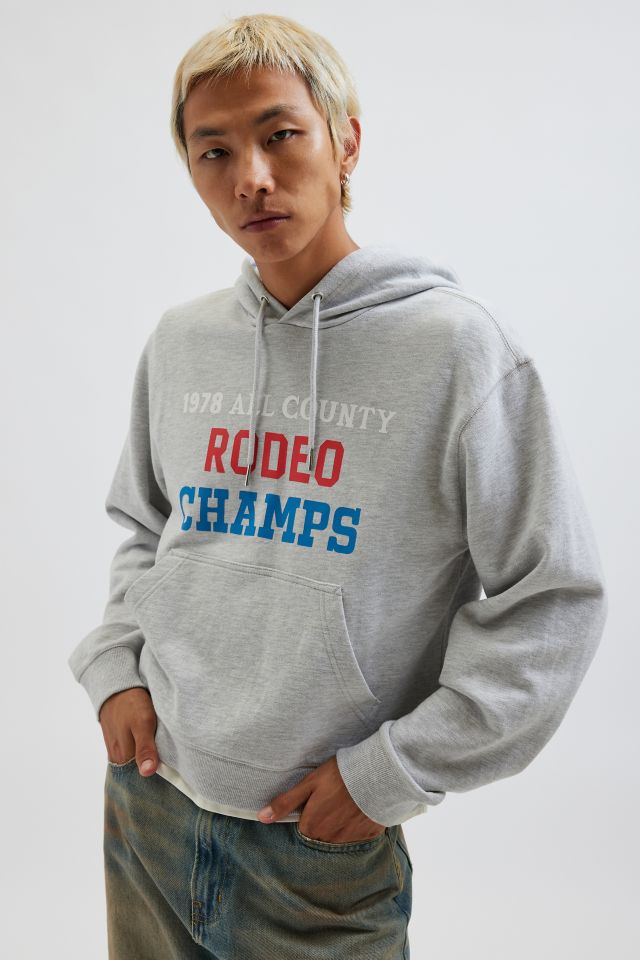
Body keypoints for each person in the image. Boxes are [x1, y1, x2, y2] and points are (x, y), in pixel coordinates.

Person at [67, 12, 609, 960]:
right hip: (149, 803)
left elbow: (552, 597)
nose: (251, 177)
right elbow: (148, 530)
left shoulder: (457, 350)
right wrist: (116, 668)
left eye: (280, 134)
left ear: (345, 140)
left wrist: (394, 771)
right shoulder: (183, 341)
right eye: (214, 151)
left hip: (315, 846)